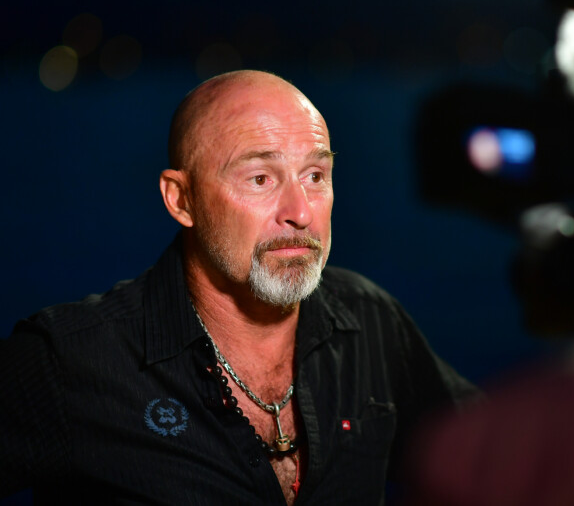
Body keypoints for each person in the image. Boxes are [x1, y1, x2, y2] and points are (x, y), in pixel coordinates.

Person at [0, 70, 476, 505]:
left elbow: (497, 457)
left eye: (315, 175)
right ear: (181, 199)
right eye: (261, 178)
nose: (301, 211)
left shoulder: (369, 322)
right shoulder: (69, 361)